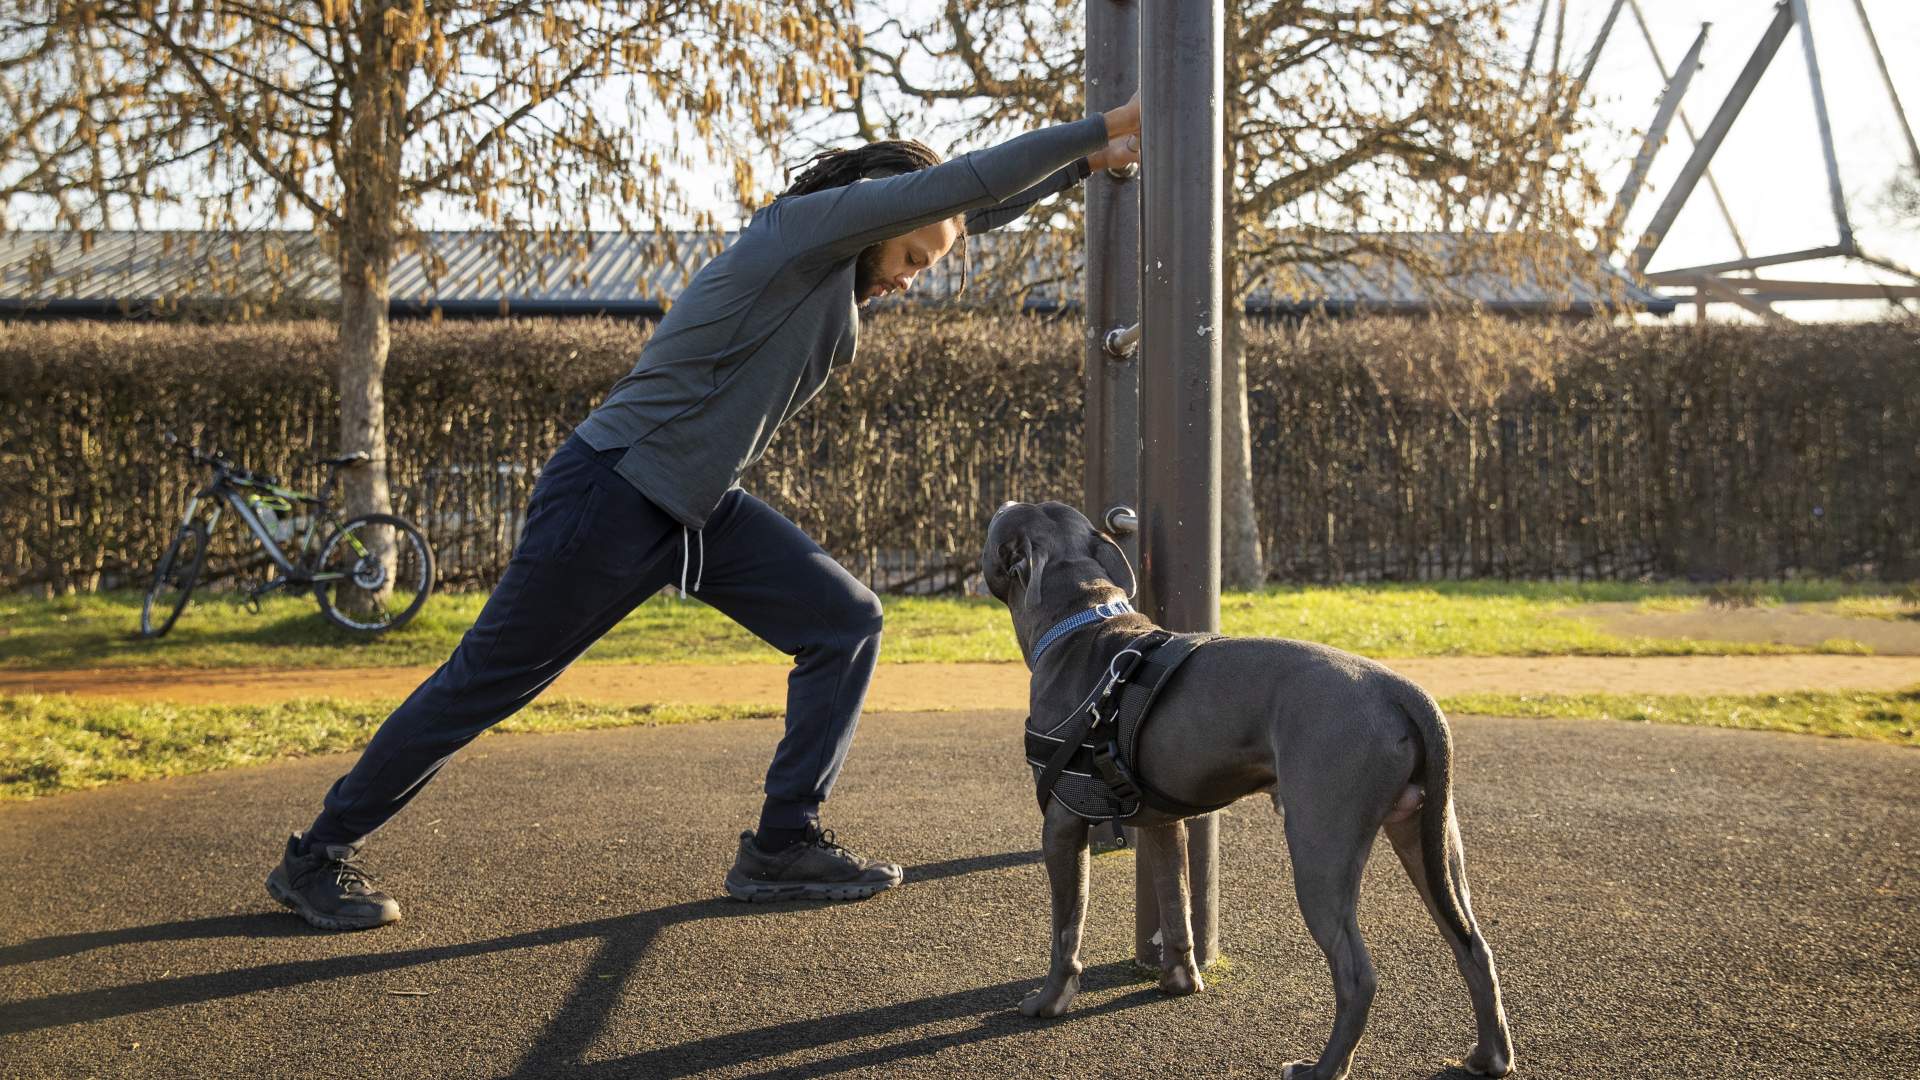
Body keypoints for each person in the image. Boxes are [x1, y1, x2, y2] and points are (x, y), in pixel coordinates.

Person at [266, 95, 1145, 930]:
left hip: (693, 506)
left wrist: (1082, 168)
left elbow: (969, 211)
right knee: (483, 685)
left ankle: (783, 845)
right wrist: (1105, 125)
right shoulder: (800, 234)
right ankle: (316, 855)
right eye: (913, 259)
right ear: (880, 219)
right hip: (612, 491)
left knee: (844, 621)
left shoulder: (842, 258)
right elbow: (965, 187)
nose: (913, 281)